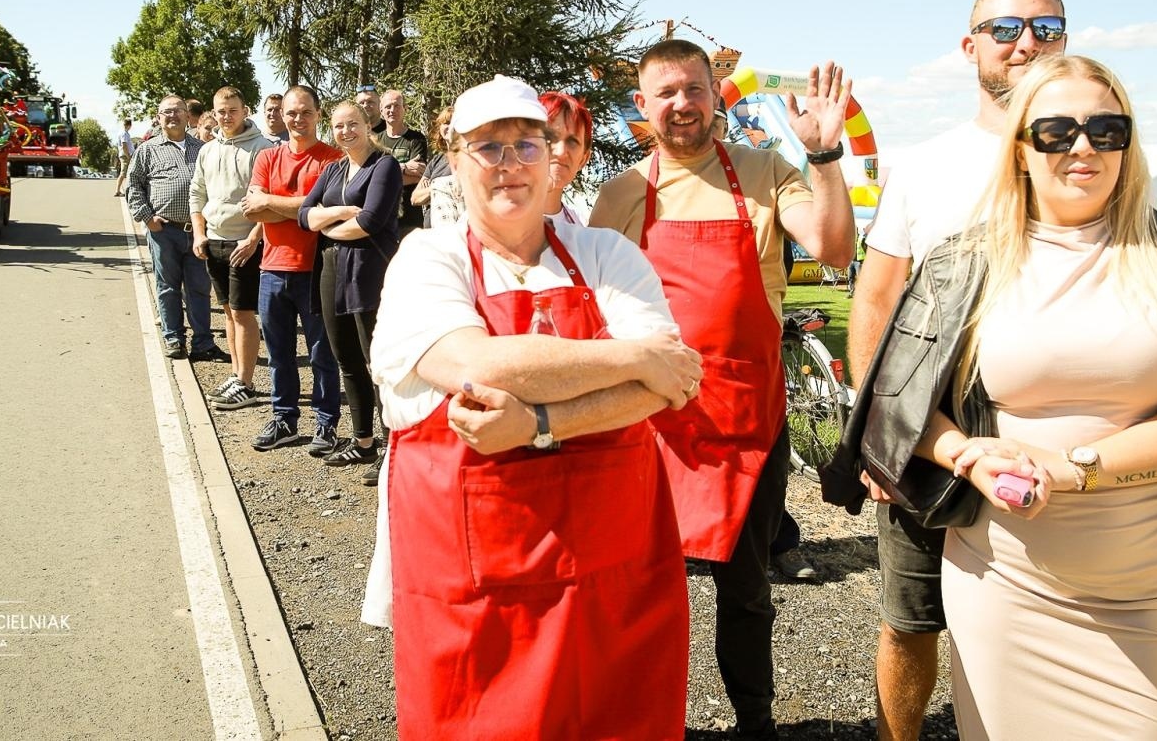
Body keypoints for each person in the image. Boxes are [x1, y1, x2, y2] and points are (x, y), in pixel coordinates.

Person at [884, 54, 1157, 739]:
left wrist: (1073, 469)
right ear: (1019, 149)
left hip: (1146, 589)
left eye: (1107, 129)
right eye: (1056, 130)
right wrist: (966, 456)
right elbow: (902, 407)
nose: (1083, 147)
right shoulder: (961, 263)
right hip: (1002, 582)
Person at [363, 74, 701, 740]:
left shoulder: (604, 252)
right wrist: (633, 359)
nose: (510, 165)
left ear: (552, 156)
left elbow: (673, 386)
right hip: (478, 594)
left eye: (526, 145)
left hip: (613, 577)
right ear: (454, 159)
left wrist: (539, 424)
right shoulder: (427, 260)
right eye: (488, 148)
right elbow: (477, 364)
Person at [590, 39, 854, 741]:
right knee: (646, 593)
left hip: (749, 424)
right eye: (665, 93)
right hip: (648, 427)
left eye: (694, 88)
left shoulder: (767, 172)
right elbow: (592, 316)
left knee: (746, 593)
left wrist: (825, 156)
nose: (682, 104)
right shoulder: (621, 195)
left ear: (716, 93)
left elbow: (833, 248)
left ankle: (755, 724)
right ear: (641, 107)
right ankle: (649, 722)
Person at [844, 0, 1068, 741]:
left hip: (1052, 423)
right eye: (1005, 29)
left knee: (1045, 618)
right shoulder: (929, 164)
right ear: (970, 46)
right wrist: (882, 431)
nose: (1026, 43)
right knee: (911, 619)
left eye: (1046, 27)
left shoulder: (1091, 156)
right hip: (932, 420)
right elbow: (876, 299)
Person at [300, 101, 402, 485]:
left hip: (368, 272)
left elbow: (372, 220)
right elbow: (304, 214)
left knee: (378, 363)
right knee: (346, 357)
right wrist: (341, 213)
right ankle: (363, 440)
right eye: (339, 126)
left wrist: (326, 225)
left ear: (367, 124)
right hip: (331, 270)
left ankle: (393, 446)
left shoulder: (384, 165)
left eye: (353, 124)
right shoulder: (333, 169)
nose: (346, 132)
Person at [242, 86, 345, 453]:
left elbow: (321, 212)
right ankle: (284, 418)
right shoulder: (267, 157)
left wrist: (272, 201)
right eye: (291, 113)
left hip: (316, 269)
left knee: (322, 353)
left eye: (305, 112)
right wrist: (301, 208)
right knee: (279, 354)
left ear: (318, 113)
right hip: (272, 268)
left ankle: (326, 423)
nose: (297, 119)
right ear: (282, 115)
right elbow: (253, 211)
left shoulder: (333, 160)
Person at [191, 87, 275, 408]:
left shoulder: (262, 149)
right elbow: (197, 193)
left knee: (243, 314)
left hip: (245, 245)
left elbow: (269, 199)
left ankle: (247, 383)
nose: (226, 117)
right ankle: (236, 373)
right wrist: (200, 234)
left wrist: (254, 238)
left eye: (233, 110)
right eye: (221, 112)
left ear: (245, 110)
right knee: (227, 312)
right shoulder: (207, 150)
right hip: (213, 242)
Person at [127, 96, 221, 361]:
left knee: (199, 288)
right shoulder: (148, 149)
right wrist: (147, 218)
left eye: (177, 111)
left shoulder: (202, 148)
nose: (172, 116)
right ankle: (173, 339)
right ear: (158, 118)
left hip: (197, 232)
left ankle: (203, 342)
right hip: (163, 232)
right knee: (167, 287)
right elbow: (133, 186)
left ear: (186, 115)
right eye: (166, 112)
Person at [374, 90, 429, 235]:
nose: (392, 110)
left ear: (405, 109)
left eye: (397, 106)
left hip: (409, 218)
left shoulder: (416, 139)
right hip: (380, 216)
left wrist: (382, 177)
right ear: (381, 110)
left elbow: (418, 175)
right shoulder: (375, 141)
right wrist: (404, 167)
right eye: (388, 107)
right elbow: (370, 177)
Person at [539, 90, 592, 223]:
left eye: (572, 141)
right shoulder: (490, 221)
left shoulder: (581, 228)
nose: (561, 152)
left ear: (583, 159)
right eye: (550, 137)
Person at [410, 106, 460, 229]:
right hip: (432, 233)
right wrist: (438, 188)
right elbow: (415, 198)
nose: (449, 127)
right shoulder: (436, 161)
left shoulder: (468, 157)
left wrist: (433, 188)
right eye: (446, 123)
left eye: (454, 122)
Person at [113, 118, 134, 197]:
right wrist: (128, 156)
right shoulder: (124, 133)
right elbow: (124, 145)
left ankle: (123, 189)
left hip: (125, 154)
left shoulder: (124, 133)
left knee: (127, 173)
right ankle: (117, 190)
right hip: (125, 155)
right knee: (123, 172)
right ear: (129, 125)